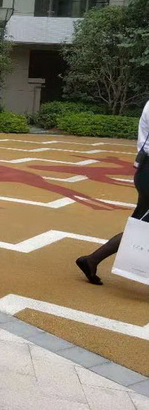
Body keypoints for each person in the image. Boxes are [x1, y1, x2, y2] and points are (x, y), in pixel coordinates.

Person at [76, 98, 149, 285]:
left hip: (145, 170)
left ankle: (92, 260)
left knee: (140, 225)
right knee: (141, 227)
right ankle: (92, 260)